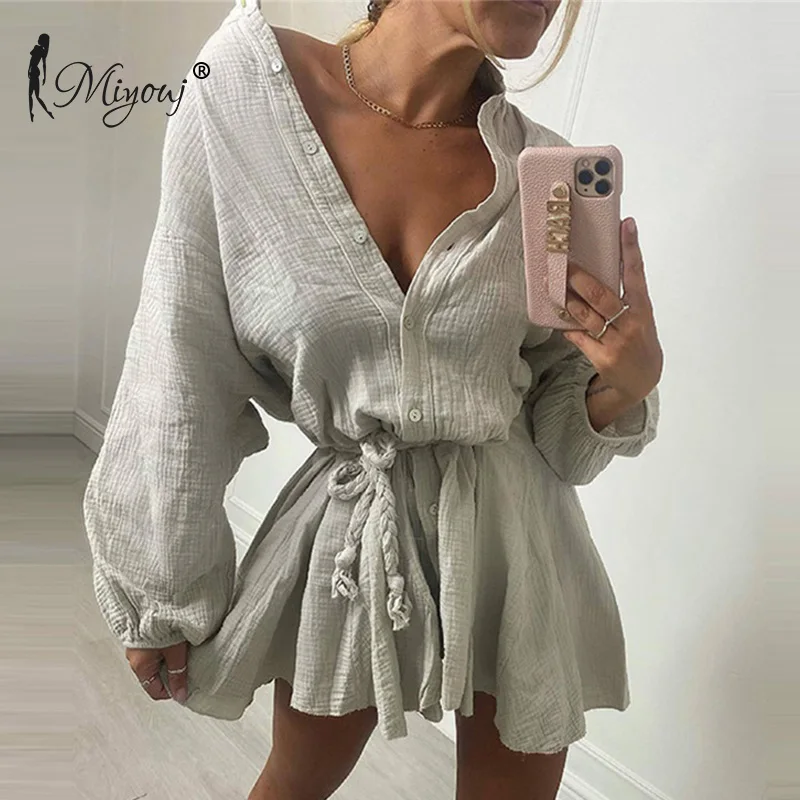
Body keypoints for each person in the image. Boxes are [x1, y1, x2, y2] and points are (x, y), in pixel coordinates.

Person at [82, 0, 663, 797]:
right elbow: (179, 355)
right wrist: (160, 586)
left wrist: (626, 382)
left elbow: (561, 433)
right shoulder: (243, 89)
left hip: (520, 541)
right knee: (294, 783)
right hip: (354, 537)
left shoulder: (548, 178)